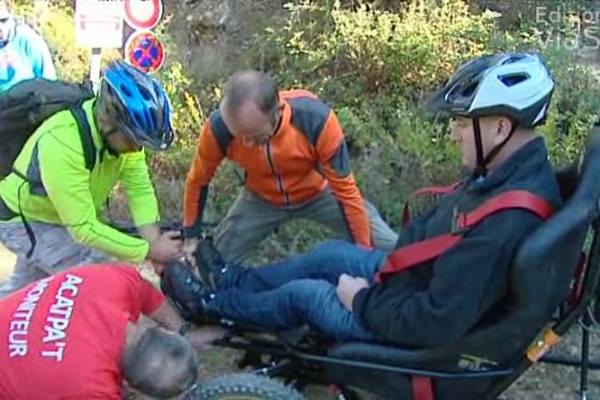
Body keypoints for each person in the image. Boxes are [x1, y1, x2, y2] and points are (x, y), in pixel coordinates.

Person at [163, 52, 563, 346]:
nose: (455, 135)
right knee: (327, 257)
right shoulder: (503, 176)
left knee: (306, 293)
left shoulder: (503, 220)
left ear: (499, 127)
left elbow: (433, 322)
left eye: (461, 123)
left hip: (408, 308)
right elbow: (199, 180)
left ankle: (216, 305)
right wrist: (192, 235)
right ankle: (232, 282)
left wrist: (361, 297)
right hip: (412, 279)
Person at [0, 60, 183, 298]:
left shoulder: (125, 141)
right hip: (23, 219)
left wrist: (154, 243)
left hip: (56, 217)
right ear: (108, 121)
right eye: (134, 140)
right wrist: (148, 251)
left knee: (25, 294)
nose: (137, 148)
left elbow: (139, 189)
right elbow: (84, 229)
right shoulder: (63, 141)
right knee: (99, 278)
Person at [183, 70, 398, 265]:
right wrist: (191, 236)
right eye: (240, 137)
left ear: (277, 112)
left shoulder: (316, 120)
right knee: (214, 263)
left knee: (391, 247)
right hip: (261, 197)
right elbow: (198, 181)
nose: (246, 144)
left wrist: (364, 255)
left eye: (255, 137)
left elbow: (347, 193)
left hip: (317, 191)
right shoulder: (219, 129)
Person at [0, 263, 226, 399]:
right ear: (128, 385)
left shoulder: (114, 284)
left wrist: (185, 331)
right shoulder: (91, 387)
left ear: (163, 331)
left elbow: (145, 293)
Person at [0, 0, 56, 92]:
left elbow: (48, 81)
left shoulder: (29, 40)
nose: (0, 27)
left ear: (11, 16)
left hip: (26, 101)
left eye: (3, 20)